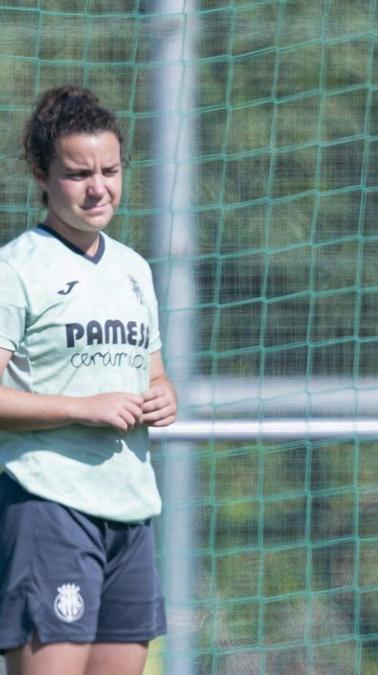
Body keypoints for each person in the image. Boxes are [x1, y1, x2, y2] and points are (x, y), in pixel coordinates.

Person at [0, 86, 177, 675]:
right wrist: (83, 408)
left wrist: (164, 394)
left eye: (110, 169)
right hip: (50, 505)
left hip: (130, 512)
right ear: (42, 175)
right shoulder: (16, 268)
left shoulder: (132, 268)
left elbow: (151, 369)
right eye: (78, 173)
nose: (98, 187)